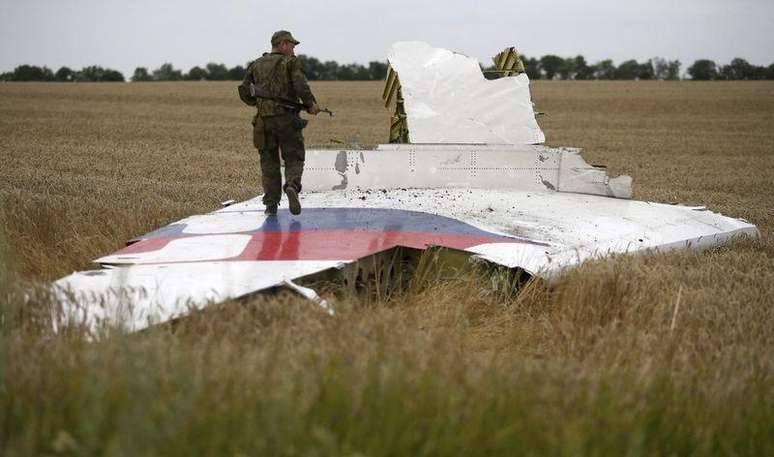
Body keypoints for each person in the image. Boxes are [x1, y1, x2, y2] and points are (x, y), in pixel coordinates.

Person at [244, 30, 320, 216]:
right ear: (283, 44)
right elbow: (300, 85)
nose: (294, 50)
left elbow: (245, 92)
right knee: (294, 157)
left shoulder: (256, 64)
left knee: (268, 164)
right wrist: (311, 104)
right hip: (287, 120)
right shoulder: (290, 62)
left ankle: (271, 205)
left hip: (263, 122)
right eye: (292, 45)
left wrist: (261, 104)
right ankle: (292, 186)